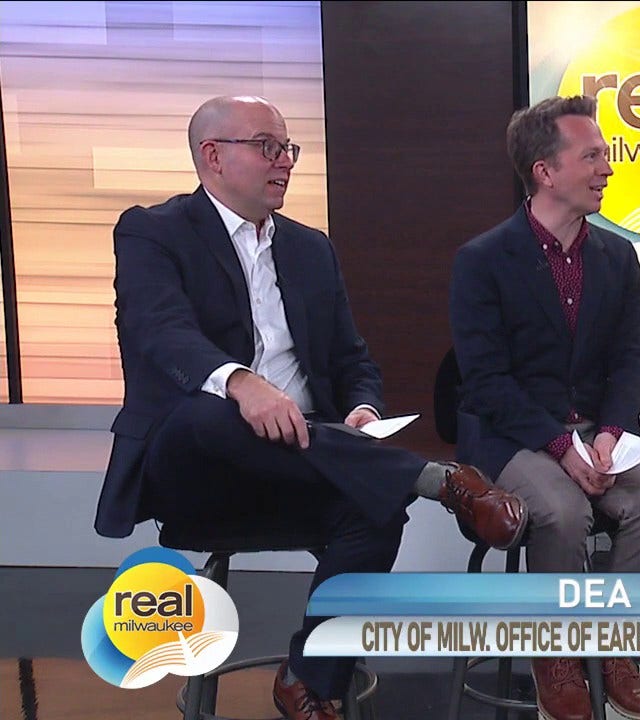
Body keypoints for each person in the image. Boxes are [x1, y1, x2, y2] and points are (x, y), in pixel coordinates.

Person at [94, 95, 529, 720]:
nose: (285, 161)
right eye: (267, 147)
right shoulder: (152, 232)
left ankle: (308, 679)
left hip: (301, 459)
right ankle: (438, 480)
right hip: (199, 471)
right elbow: (160, 331)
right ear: (212, 156)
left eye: (288, 148)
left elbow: (353, 360)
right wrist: (242, 382)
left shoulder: (309, 247)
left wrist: (362, 409)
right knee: (209, 411)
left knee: (377, 510)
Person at [449, 95, 640, 720]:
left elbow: (632, 353)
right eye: (593, 157)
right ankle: (555, 654)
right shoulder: (482, 261)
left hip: (593, 433)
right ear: (545, 171)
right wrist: (560, 447)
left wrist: (610, 433)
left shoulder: (616, 256)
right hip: (513, 435)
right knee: (563, 509)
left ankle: (613, 647)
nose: (608, 168)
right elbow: (486, 382)